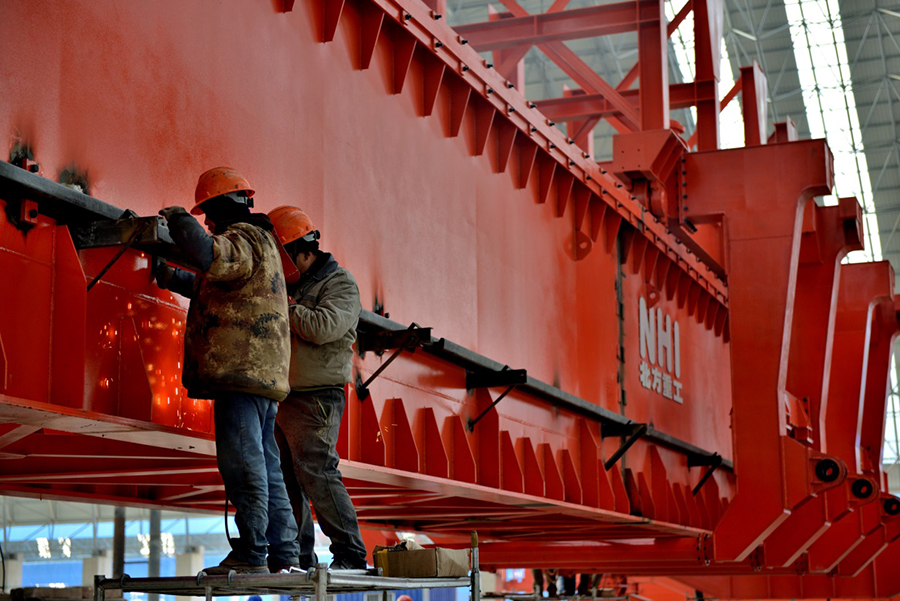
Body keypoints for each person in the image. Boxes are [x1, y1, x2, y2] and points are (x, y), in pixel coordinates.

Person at [154, 167, 300, 574]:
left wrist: (177, 218)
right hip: (260, 375)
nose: (206, 223)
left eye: (207, 215)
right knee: (267, 466)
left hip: (241, 371)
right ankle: (285, 554)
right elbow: (220, 283)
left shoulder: (244, 237)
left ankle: (252, 552)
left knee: (243, 463)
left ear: (219, 207)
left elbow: (208, 255)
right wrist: (172, 278)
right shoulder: (263, 244)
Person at [267, 205, 368, 570]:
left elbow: (324, 327)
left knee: (317, 472)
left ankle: (350, 554)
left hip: (317, 398)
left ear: (302, 252)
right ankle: (298, 557)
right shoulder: (297, 286)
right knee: (286, 479)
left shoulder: (340, 284)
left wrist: (284, 306)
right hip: (284, 396)